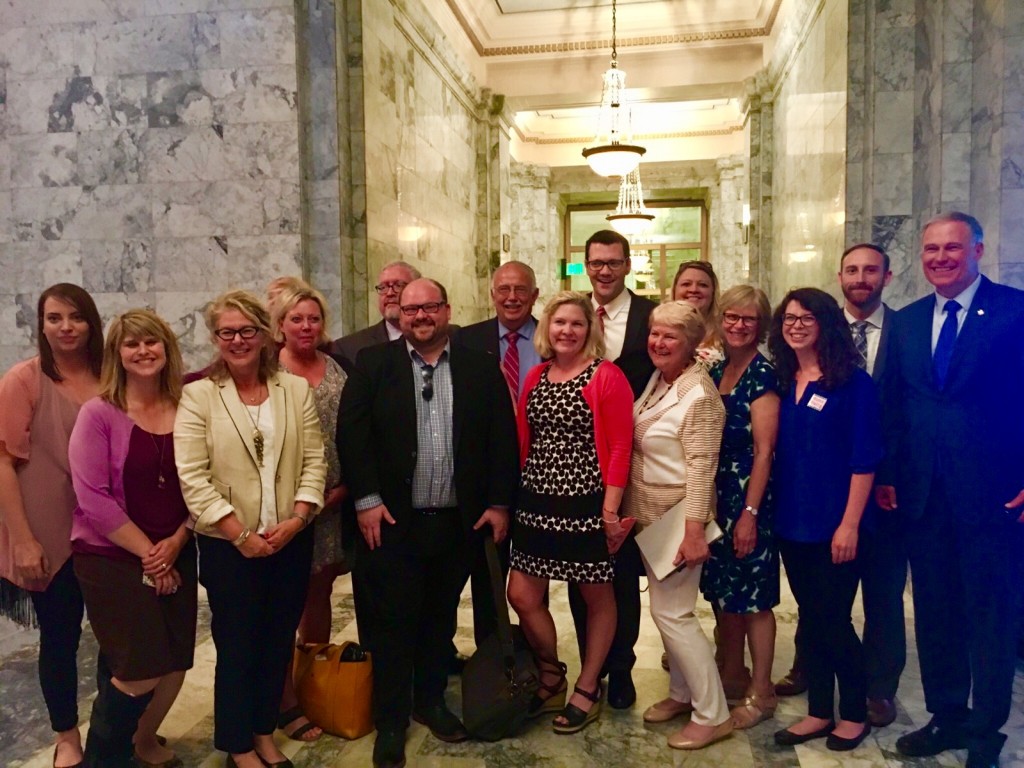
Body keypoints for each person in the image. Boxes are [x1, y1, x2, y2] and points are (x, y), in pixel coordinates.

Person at [336, 278, 518, 768]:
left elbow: (503, 438)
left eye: (430, 307)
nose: (420, 316)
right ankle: (391, 720)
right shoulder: (374, 364)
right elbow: (353, 437)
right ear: (397, 313)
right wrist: (367, 500)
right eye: (410, 308)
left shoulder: (480, 367)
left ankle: (431, 701)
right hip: (392, 521)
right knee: (393, 623)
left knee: (439, 620)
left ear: (446, 310)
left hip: (458, 522)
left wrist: (500, 503)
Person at [877, 212, 1024, 768]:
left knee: (990, 615)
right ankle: (947, 716)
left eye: (952, 248)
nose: (940, 258)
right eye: (931, 249)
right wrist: (889, 474)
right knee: (935, 612)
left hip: (995, 495)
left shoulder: (1015, 311)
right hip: (922, 496)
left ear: (978, 250)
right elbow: (894, 404)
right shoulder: (909, 321)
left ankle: (986, 733)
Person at [174, 290, 326, 768]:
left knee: (278, 641)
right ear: (215, 338)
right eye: (226, 332)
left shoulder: (294, 389)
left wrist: (298, 518)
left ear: (265, 334)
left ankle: (263, 733)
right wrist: (241, 534)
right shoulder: (198, 393)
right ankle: (238, 745)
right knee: (238, 647)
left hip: (288, 541)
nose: (237, 340)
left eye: (247, 331)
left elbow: (315, 460)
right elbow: (192, 476)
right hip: (228, 548)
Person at [68, 309, 197, 768]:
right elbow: (93, 499)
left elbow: (205, 485)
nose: (143, 351)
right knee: (139, 668)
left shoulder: (189, 406)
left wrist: (178, 543)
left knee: (178, 659)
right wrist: (151, 556)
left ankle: (142, 743)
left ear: (167, 347)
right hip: (112, 555)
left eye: (151, 342)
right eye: (131, 344)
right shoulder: (98, 413)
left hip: (177, 547)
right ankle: (102, 759)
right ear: (117, 355)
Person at [506, 291, 634, 734]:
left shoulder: (607, 376)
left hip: (585, 503)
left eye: (576, 324)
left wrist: (611, 510)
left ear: (589, 330)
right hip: (536, 501)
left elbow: (620, 446)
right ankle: (551, 672)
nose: (567, 331)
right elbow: (527, 438)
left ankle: (587, 684)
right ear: (547, 328)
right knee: (521, 595)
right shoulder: (537, 375)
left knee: (596, 597)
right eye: (559, 322)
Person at [768, 287, 880, 752]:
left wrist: (850, 524)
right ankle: (818, 711)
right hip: (792, 523)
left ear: (826, 323)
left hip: (838, 525)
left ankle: (853, 712)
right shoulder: (782, 379)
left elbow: (865, 458)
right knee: (812, 620)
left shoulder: (853, 383)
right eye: (789, 318)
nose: (795, 325)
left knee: (834, 619)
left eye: (806, 318)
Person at [0, 283, 103, 768]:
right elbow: (2, 462)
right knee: (60, 638)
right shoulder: (25, 379)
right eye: (55, 317)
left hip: (107, 530)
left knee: (116, 636)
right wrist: (22, 538)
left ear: (92, 322)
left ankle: (110, 726)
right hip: (48, 529)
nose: (66, 327)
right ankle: (66, 736)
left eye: (76, 317)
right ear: (41, 324)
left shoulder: (111, 373)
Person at [623, 301, 732, 749]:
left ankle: (714, 714)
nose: (659, 342)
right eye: (655, 333)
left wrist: (692, 532)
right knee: (666, 613)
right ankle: (682, 694)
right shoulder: (658, 380)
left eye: (671, 336)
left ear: (692, 344)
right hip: (651, 517)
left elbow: (703, 467)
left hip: (678, 520)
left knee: (675, 615)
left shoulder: (699, 395)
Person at [573, 229, 656, 710]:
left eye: (613, 262)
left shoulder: (649, 317)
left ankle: (620, 666)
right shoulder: (572, 315)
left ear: (628, 265)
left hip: (630, 462)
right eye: (596, 262)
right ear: (586, 265)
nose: (604, 270)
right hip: (577, 468)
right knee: (579, 567)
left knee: (621, 573)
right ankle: (590, 665)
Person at [699, 286, 780, 729]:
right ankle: (732, 674)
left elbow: (765, 452)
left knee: (754, 600)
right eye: (731, 316)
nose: (738, 325)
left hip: (749, 500)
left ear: (761, 324)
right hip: (717, 499)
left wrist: (748, 516)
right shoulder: (718, 369)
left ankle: (762, 689)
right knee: (725, 595)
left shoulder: (762, 375)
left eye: (748, 319)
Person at [272, 281, 349, 743]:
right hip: (286, 508)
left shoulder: (337, 368)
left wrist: (341, 492)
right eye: (296, 318)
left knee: (319, 590)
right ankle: (284, 700)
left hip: (334, 502)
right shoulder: (267, 372)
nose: (306, 326)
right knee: (283, 602)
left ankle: (311, 682)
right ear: (280, 325)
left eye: (314, 318)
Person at [453, 260, 540, 652]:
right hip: (485, 478)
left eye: (521, 289)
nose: (512, 297)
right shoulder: (465, 341)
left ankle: (540, 657)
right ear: (492, 295)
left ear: (535, 296)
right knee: (486, 573)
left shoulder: (552, 338)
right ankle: (491, 660)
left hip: (545, 476)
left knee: (537, 579)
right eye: (503, 289)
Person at [839, 243, 904, 727]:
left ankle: (881, 688)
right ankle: (809, 661)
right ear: (840, 276)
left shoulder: (909, 331)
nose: (861, 278)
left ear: (887, 275)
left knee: (883, 593)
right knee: (823, 588)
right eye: (852, 270)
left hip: (889, 490)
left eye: (870, 270)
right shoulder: (818, 333)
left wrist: (894, 476)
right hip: (827, 486)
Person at [330, 261, 421, 373]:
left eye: (399, 285)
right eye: (383, 287)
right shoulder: (348, 348)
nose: (389, 293)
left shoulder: (444, 338)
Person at [671, 260, 723, 365]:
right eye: (686, 284)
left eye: (703, 285)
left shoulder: (726, 332)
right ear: (674, 290)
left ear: (713, 292)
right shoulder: (657, 327)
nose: (694, 289)